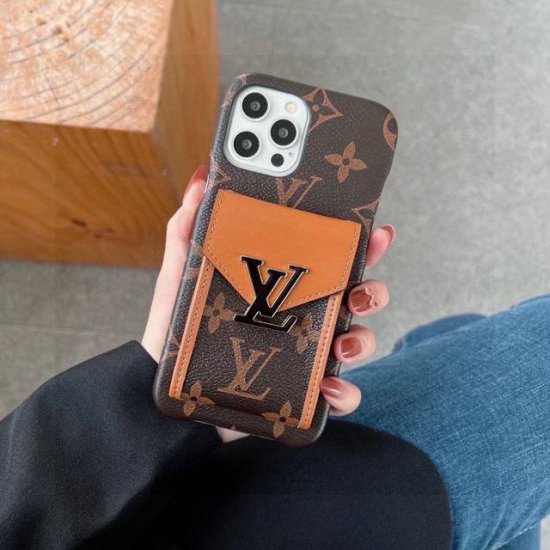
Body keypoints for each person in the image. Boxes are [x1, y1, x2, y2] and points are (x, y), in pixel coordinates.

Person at [0, 167, 548, 550]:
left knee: (465, 342)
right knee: (462, 338)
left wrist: (182, 402)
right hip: (352, 505)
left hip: (300, 492)